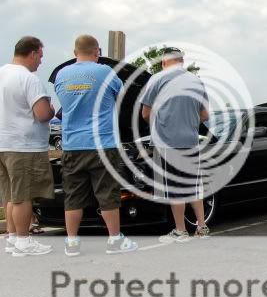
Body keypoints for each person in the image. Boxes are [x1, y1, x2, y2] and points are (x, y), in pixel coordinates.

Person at [54, 34, 137, 256]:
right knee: (107, 193)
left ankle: (71, 243)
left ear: (74, 53)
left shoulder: (62, 75)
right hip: (102, 144)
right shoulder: (104, 73)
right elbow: (122, 98)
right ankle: (114, 240)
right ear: (97, 51)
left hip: (72, 145)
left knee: (73, 196)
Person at [141, 47, 210, 243]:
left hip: (167, 142)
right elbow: (205, 115)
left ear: (163, 62)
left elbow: (145, 114)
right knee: (193, 186)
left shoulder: (157, 79)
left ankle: (180, 230)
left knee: (174, 187)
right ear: (181, 61)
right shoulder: (196, 81)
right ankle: (202, 226)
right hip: (190, 141)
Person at [0, 36, 55, 256]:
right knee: (24, 195)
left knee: (11, 194)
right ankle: (24, 239)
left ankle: (13, 237)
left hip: (3, 143)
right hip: (24, 146)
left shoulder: (2, 73)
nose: (40, 62)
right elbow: (42, 114)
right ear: (32, 53)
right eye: (40, 56)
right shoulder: (28, 79)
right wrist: (51, 108)